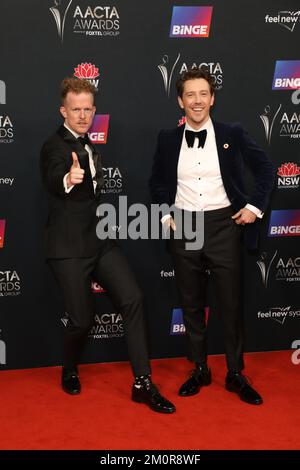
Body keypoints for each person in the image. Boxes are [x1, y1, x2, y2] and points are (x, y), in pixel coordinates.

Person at [40, 77, 175, 414]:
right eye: (76, 110)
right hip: (68, 247)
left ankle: (142, 383)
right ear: (63, 111)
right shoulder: (54, 146)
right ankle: (70, 368)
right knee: (82, 320)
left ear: (94, 111)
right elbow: (54, 177)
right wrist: (67, 179)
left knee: (133, 298)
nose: (83, 115)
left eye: (88, 109)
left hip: (100, 242)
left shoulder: (89, 145)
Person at [149, 68, 274, 405]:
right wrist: (164, 211)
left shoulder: (233, 132)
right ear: (180, 100)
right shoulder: (167, 138)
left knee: (231, 304)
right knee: (191, 303)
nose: (197, 100)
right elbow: (157, 182)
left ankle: (235, 373)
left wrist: (254, 208)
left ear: (213, 98)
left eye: (203, 93)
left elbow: (266, 169)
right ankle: (200, 368)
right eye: (190, 94)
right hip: (185, 225)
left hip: (224, 225)